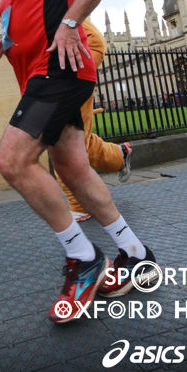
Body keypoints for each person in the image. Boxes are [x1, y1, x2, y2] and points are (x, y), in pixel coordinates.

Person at [0, 0, 157, 323]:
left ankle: (83, 256)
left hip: (55, 72)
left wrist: (71, 22)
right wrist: (0, 45)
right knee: (73, 168)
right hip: (43, 76)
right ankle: (135, 253)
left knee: (12, 161)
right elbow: (22, 27)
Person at [56, 19, 132, 222]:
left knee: (63, 142)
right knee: (79, 142)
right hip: (53, 76)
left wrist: (75, 65)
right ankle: (119, 154)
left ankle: (79, 204)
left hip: (69, 74)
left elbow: (95, 42)